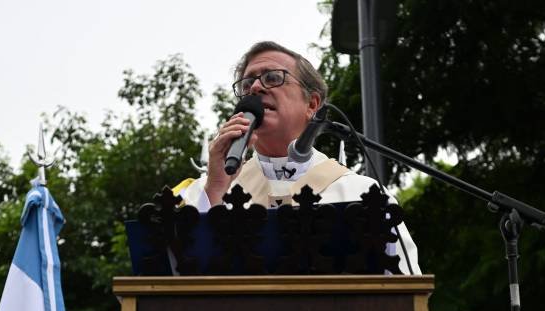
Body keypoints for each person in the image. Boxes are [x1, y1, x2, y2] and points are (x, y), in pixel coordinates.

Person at [176, 40, 419, 275]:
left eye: (272, 77)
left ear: (312, 104)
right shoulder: (203, 194)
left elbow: (407, 295)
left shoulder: (362, 193)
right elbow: (173, 288)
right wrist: (217, 188)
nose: (256, 88)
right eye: (247, 84)